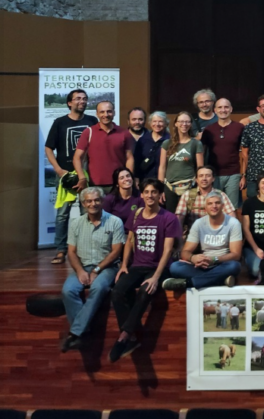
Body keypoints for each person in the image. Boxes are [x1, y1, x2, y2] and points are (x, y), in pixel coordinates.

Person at [110, 179, 181, 362]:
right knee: (117, 290)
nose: (150, 195)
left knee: (145, 291)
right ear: (141, 195)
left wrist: (156, 277)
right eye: (146, 192)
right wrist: (124, 265)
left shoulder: (169, 218)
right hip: (137, 265)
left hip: (159, 267)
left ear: (159, 195)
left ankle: (124, 336)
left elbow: (168, 250)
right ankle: (132, 336)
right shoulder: (136, 215)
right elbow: (130, 240)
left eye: (154, 192)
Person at [59, 187, 125, 352]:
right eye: (88, 201)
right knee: (68, 290)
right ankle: (83, 332)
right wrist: (80, 271)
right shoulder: (76, 223)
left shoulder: (115, 221)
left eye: (96, 200)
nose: (93, 204)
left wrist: (96, 269)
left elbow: (116, 251)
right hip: (83, 266)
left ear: (102, 201)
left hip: (107, 267)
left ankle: (75, 334)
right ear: (83, 203)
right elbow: (71, 253)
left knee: (99, 287)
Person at [46, 89, 98, 264]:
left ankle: (86, 250)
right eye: (77, 99)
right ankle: (61, 251)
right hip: (66, 177)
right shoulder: (59, 123)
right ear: (69, 103)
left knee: (87, 213)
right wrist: (59, 170)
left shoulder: (92, 121)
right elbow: (48, 148)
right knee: (62, 215)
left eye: (84, 99)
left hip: (87, 175)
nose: (81, 101)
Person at [164, 194, 243, 290]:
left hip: (222, 264)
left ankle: (190, 282)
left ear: (222, 206)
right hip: (202, 265)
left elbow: (236, 255)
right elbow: (185, 252)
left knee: (234, 266)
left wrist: (214, 259)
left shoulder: (233, 223)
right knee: (175, 267)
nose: (214, 206)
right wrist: (193, 258)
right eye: (210, 203)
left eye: (217, 203)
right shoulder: (199, 223)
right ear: (205, 208)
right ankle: (220, 279)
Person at [73, 101, 132, 192]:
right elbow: (77, 157)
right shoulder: (88, 132)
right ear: (97, 114)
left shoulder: (124, 133)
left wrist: (129, 179)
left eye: (109, 111)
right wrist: (82, 177)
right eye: (102, 112)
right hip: (94, 185)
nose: (106, 114)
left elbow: (129, 158)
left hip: (118, 184)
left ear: (114, 113)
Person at [201, 98, 244, 212]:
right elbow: (202, 152)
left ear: (231, 109)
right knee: (214, 207)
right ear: (215, 110)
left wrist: (243, 175)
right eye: (220, 107)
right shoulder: (209, 130)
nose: (223, 110)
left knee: (231, 208)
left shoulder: (239, 127)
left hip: (233, 174)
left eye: (226, 107)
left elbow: (245, 153)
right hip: (213, 175)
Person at [159, 111, 204, 211]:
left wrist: (200, 187)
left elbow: (200, 168)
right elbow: (162, 167)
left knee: (188, 218)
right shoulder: (167, 143)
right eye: (181, 121)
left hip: (189, 186)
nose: (184, 124)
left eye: (187, 122)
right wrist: (160, 188)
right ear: (176, 123)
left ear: (191, 124)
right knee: (171, 217)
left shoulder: (196, 144)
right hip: (170, 187)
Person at [175, 166, 237, 231]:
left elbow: (231, 217)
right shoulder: (187, 195)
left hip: (217, 235)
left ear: (213, 179)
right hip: (194, 236)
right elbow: (179, 218)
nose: (204, 178)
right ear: (196, 179)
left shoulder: (221, 195)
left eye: (208, 176)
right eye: (201, 176)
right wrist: (180, 239)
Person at [134, 111, 170, 181]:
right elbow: (137, 162)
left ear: (166, 124)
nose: (157, 124)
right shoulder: (143, 140)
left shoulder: (170, 141)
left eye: (160, 121)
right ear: (150, 123)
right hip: (145, 180)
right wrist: (136, 180)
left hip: (165, 180)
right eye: (154, 121)